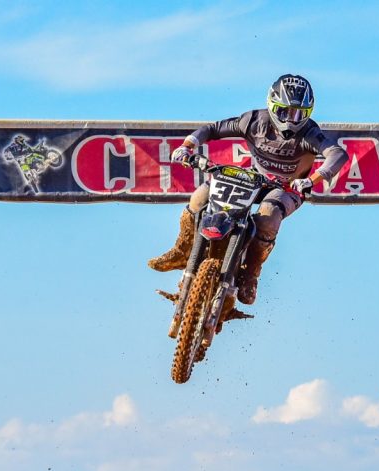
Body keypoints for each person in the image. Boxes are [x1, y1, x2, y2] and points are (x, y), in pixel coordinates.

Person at [147, 74, 349, 305]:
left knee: (268, 217)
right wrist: (187, 146)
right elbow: (212, 128)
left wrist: (312, 179)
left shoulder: (310, 134)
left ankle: (251, 275)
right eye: (285, 112)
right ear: (272, 104)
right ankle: (181, 249)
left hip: (288, 186)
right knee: (202, 194)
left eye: (299, 114)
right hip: (253, 178)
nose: (291, 120)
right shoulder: (253, 121)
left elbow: (337, 154)